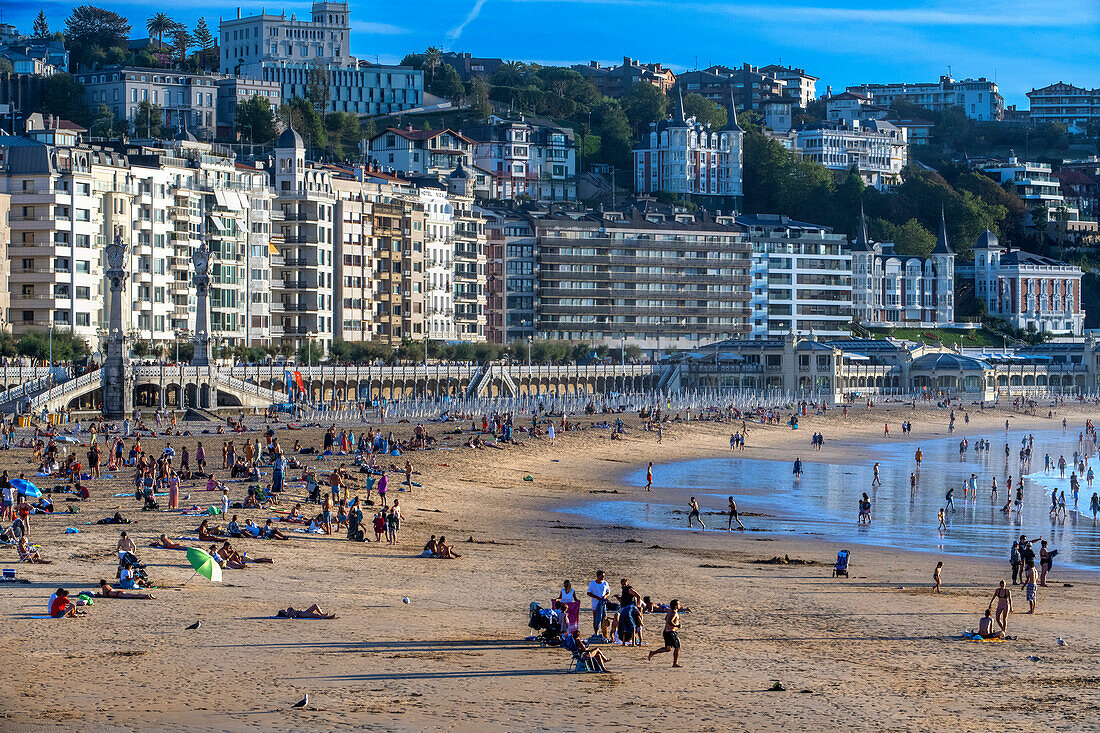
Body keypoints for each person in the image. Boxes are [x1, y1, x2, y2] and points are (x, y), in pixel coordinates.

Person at [647, 599, 683, 667]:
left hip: (666, 632)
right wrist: (677, 625)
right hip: (671, 633)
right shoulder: (674, 613)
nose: (679, 606)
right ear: (675, 606)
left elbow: (666, 618)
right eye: (678, 604)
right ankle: (675, 663)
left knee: (668, 648)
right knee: (677, 647)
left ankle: (653, 652)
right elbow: (669, 621)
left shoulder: (670, 611)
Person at [587, 570, 611, 638]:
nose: (603, 577)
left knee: (604, 618)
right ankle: (596, 631)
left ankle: (604, 633)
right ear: (598, 576)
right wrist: (596, 597)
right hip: (595, 603)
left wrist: (605, 596)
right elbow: (588, 593)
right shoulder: (592, 583)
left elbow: (608, 592)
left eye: (603, 576)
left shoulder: (605, 583)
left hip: (603, 603)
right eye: (602, 576)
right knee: (596, 618)